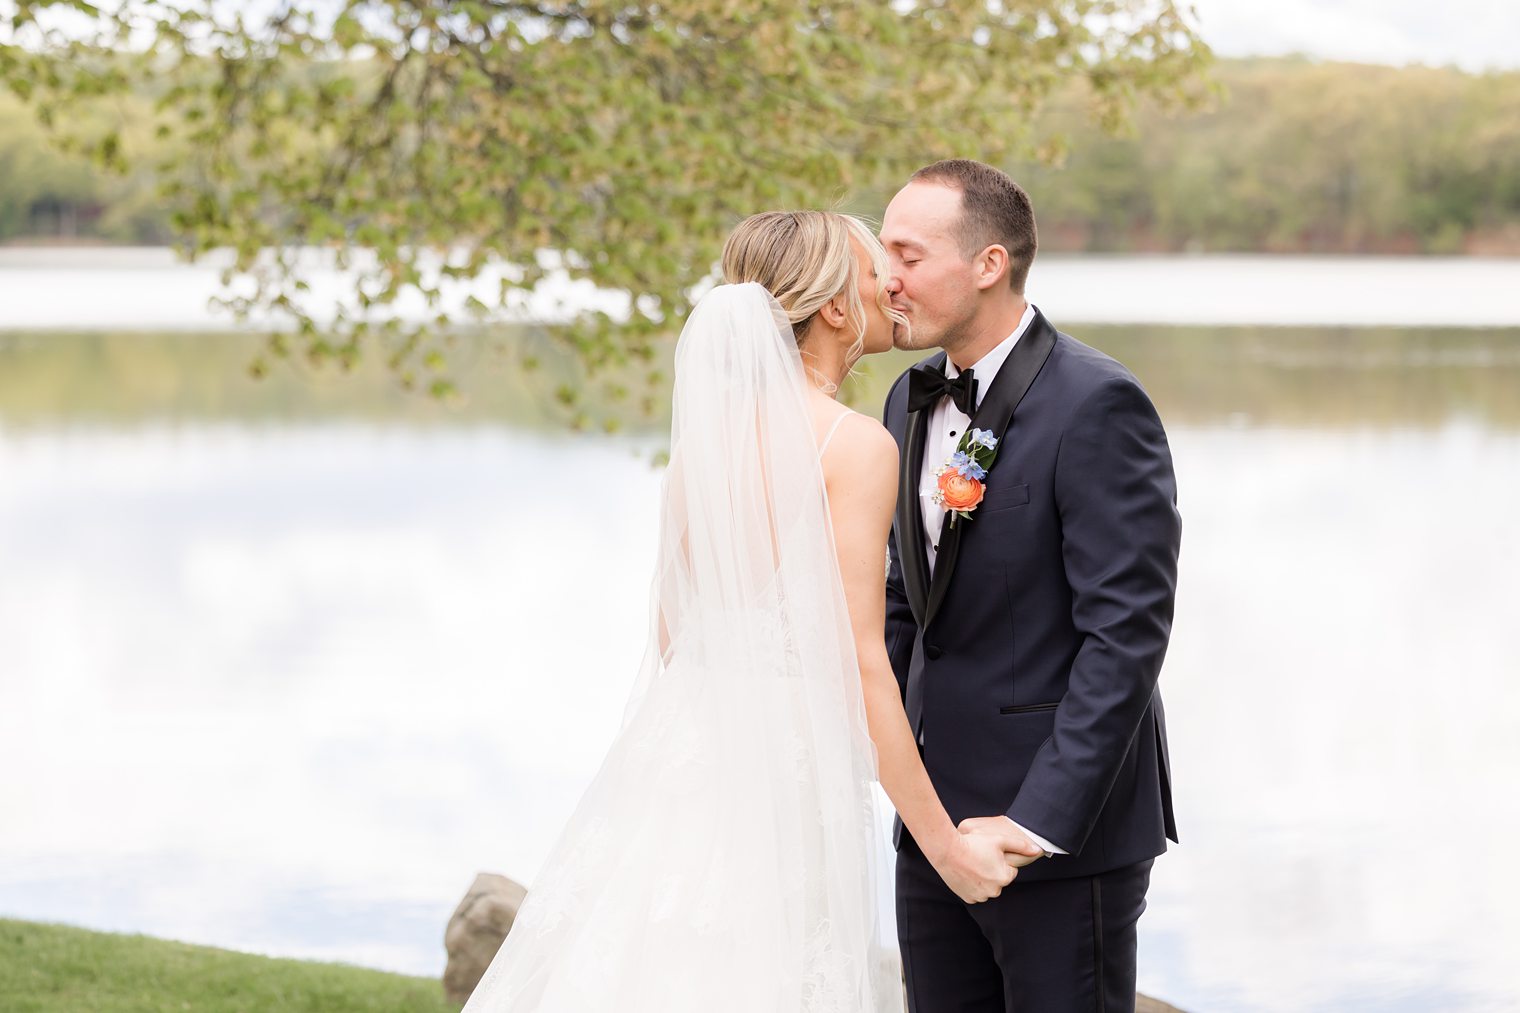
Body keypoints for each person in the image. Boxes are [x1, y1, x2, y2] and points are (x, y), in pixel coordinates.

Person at [462, 210, 1039, 1012]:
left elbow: (672, 636)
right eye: (877, 273)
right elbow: (859, 664)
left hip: (685, 759)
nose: (893, 289)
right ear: (837, 307)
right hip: (788, 773)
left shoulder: (708, 443)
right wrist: (943, 844)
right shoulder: (854, 445)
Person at [879, 159, 1182, 1013]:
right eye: (883, 253)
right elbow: (910, 601)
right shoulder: (907, 398)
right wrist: (896, 774)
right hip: (932, 828)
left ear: (989, 263)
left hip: (1056, 836)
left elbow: (1126, 635)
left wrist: (1035, 823)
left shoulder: (1100, 403)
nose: (885, 277)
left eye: (908, 253)